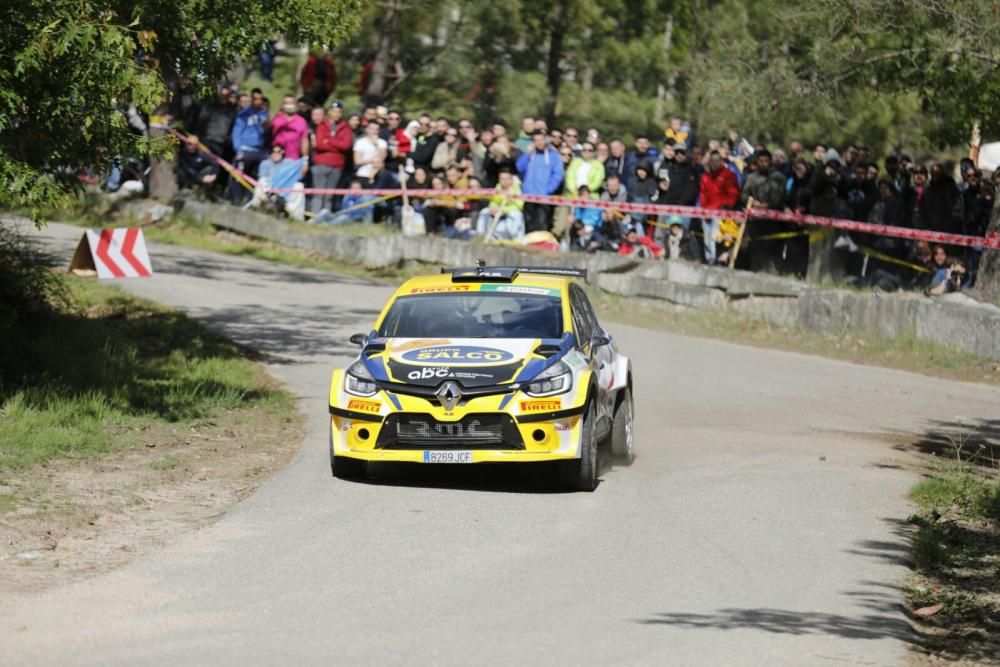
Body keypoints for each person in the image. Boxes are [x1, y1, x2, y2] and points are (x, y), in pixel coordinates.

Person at [515, 129, 564, 233]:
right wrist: (527, 154)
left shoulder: (553, 156)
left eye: (541, 140)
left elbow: (558, 175)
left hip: (544, 197)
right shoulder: (530, 155)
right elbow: (519, 168)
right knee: (528, 224)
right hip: (528, 196)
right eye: (536, 140)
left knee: (541, 224)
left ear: (545, 140)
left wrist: (548, 190)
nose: (539, 143)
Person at [698, 150, 740, 264]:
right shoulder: (705, 176)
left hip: (721, 212)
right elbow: (702, 194)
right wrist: (703, 208)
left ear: (721, 161)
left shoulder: (729, 175)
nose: (714, 163)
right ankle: (710, 260)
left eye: (717, 161)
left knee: (718, 238)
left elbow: (733, 194)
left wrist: (725, 207)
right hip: (707, 211)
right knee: (707, 237)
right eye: (712, 161)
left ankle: (719, 260)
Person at [230, 88, 269, 204]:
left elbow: (268, 134)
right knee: (239, 177)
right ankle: (236, 201)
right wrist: (238, 150)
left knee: (254, 178)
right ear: (252, 99)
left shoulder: (264, 114)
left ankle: (248, 201)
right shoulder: (244, 115)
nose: (258, 101)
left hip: (259, 152)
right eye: (255, 99)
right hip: (245, 150)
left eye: (260, 99)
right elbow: (236, 133)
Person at [476, 169, 524, 240]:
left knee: (515, 214)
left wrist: (504, 210)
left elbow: (520, 205)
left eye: (507, 178)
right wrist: (493, 207)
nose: (505, 181)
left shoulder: (517, 188)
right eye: (502, 179)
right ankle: (481, 235)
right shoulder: (498, 187)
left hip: (510, 212)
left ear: (512, 178)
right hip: (498, 211)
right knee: (484, 212)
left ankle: (514, 238)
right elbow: (494, 200)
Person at [269, 95, 309, 160]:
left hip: (293, 159)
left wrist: (305, 160)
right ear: (283, 105)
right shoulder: (276, 119)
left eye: (291, 103)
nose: (289, 105)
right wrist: (277, 110)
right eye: (286, 103)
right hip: (276, 158)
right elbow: (266, 125)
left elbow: (304, 141)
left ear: (295, 105)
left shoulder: (301, 121)